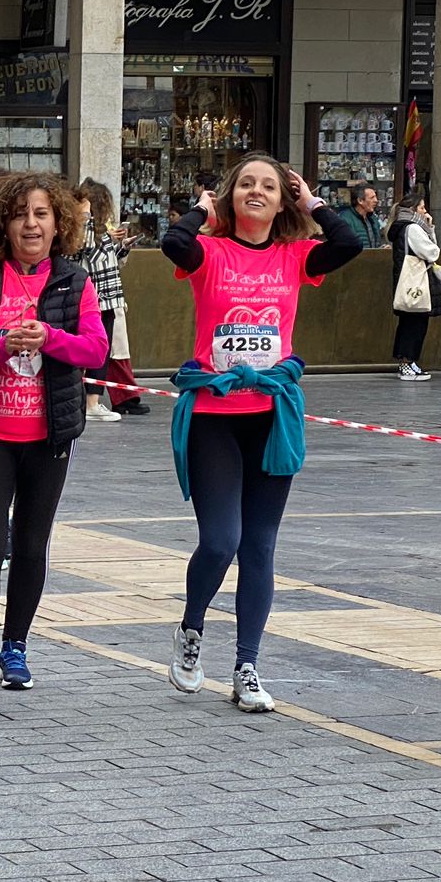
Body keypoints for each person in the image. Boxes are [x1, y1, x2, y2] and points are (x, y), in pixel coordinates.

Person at [162, 152, 360, 715]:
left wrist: (314, 202)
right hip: (214, 416)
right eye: (245, 184)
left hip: (272, 415)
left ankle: (248, 665)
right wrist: (200, 212)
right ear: (230, 196)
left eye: (269, 186)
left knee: (260, 546)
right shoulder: (211, 251)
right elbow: (175, 246)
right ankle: (192, 629)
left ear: (283, 199)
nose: (256, 191)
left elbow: (347, 244)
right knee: (222, 540)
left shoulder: (295, 255)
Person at [0, 173, 107, 708]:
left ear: (59, 223)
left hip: (49, 435)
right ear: (1, 223)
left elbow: (95, 352)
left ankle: (16, 647)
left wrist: (51, 338)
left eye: (41, 214)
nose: (30, 224)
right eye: (19, 214)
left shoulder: (75, 281)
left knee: (33, 545)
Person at [71, 179, 142, 420]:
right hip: (96, 297)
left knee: (101, 350)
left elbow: (105, 257)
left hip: (108, 296)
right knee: (96, 350)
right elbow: (84, 247)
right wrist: (86, 216)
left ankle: (92, 401)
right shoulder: (87, 226)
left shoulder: (100, 230)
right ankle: (90, 402)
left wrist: (121, 245)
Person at [387, 188, 441, 381]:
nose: (425, 212)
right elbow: (432, 252)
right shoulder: (413, 228)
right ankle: (407, 361)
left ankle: (408, 361)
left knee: (409, 322)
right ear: (413, 209)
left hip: (406, 279)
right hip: (416, 281)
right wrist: (430, 230)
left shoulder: (401, 226)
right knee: (416, 322)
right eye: (421, 207)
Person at [345, 182, 385, 249]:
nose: (376, 200)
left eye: (376, 197)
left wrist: (381, 249)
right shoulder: (345, 219)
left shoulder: (373, 219)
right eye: (372, 198)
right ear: (360, 200)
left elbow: (375, 244)